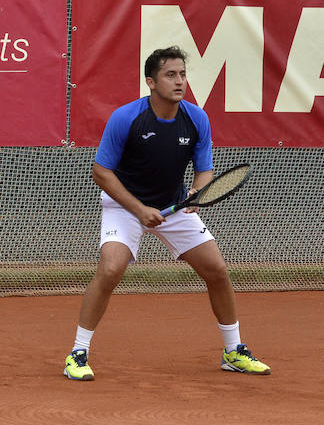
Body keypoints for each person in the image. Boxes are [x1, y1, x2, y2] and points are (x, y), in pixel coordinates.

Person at [63, 46, 269, 380]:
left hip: (174, 206)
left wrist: (194, 193)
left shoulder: (196, 118)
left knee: (216, 269)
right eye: (170, 75)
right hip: (125, 206)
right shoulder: (126, 118)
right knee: (111, 268)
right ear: (151, 82)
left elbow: (204, 170)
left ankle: (233, 351)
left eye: (183, 74)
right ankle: (78, 353)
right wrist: (139, 209)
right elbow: (101, 172)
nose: (179, 81)